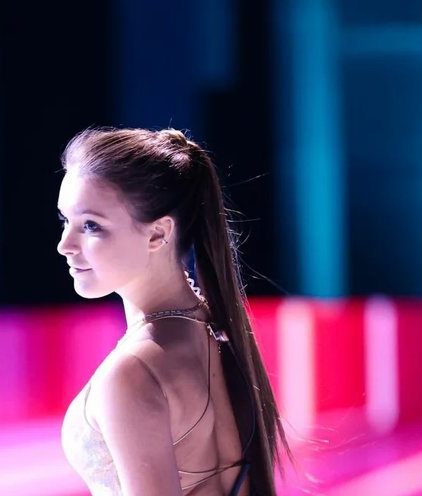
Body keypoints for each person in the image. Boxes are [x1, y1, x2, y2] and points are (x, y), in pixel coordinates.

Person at [57, 127, 287, 495]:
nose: (65, 245)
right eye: (64, 221)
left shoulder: (133, 372)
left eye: (91, 226)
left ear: (158, 234)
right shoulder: (215, 329)